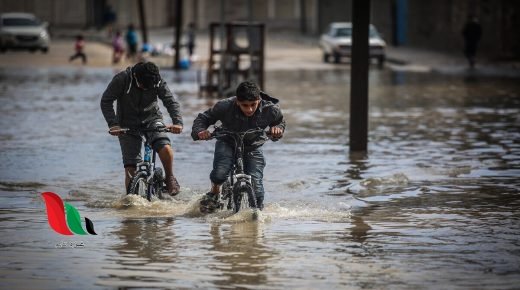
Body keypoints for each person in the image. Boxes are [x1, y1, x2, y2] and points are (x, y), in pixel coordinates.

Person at [191, 81, 285, 211]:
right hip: (227, 141)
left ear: (259, 100)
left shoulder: (271, 109)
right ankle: (214, 192)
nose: (249, 109)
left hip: (253, 145)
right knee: (219, 175)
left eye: (253, 104)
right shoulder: (224, 106)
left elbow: (280, 122)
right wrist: (200, 131)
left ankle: (256, 216)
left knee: (258, 190)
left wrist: (277, 129)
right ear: (237, 102)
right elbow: (203, 118)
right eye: (245, 105)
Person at [100, 62, 183, 196]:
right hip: (126, 124)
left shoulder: (157, 80)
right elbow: (106, 101)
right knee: (130, 167)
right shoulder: (122, 79)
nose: (144, 89)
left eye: (148, 87)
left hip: (152, 119)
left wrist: (177, 122)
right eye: (142, 86)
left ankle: (169, 177)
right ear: (135, 76)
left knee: (165, 146)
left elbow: (170, 101)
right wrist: (113, 124)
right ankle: (131, 198)